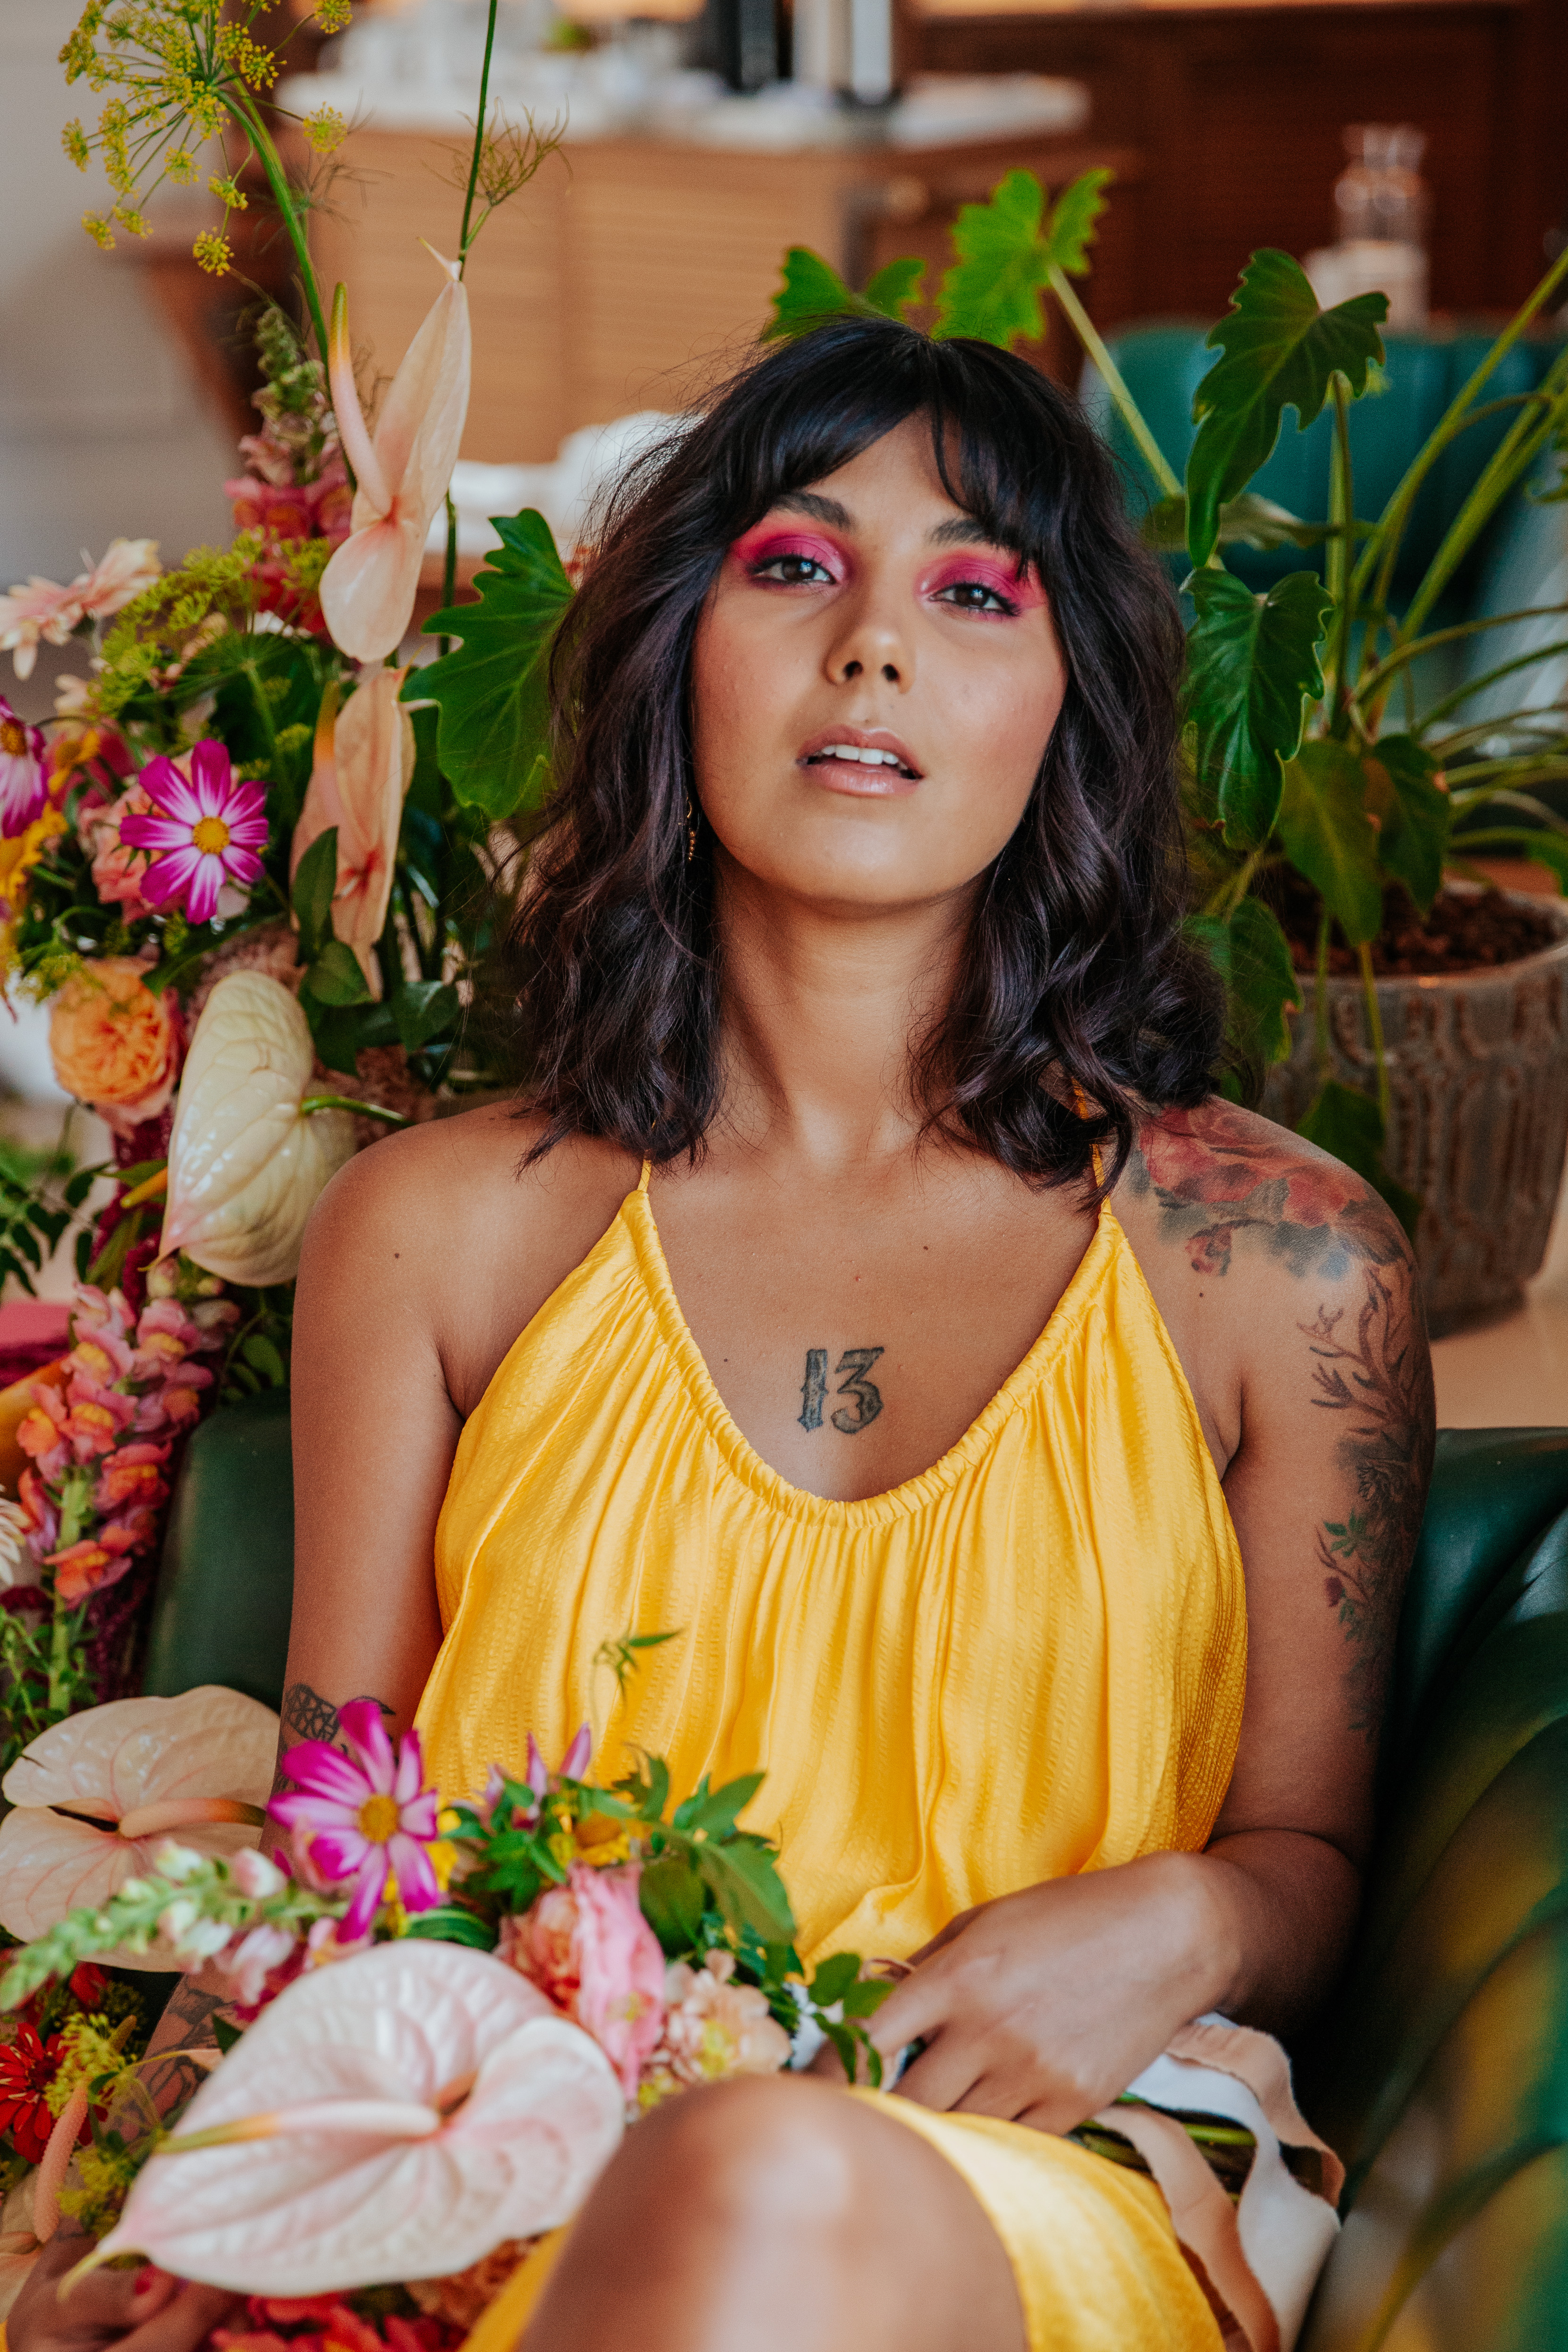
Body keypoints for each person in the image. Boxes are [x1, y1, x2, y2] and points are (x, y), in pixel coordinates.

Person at [15, 315, 1433, 2352]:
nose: (873, 646)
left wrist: (1200, 1908)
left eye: (972, 590)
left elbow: (1313, 1855)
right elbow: (345, 1854)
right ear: (682, 648)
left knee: (761, 2166)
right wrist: (157, 2205)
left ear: (1073, 706)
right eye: (793, 565)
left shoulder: (1280, 1267)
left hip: (1011, 2198)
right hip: (479, 2172)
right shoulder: (430, 1235)